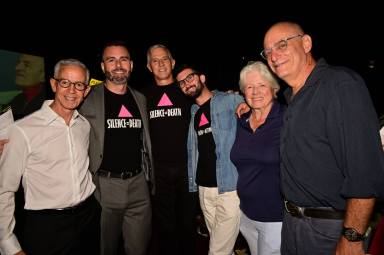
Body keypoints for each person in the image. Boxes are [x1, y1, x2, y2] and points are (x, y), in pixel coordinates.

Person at [260, 21, 384, 255]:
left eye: (282, 45)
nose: (274, 56)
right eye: (267, 52)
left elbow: (365, 172)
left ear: (306, 43)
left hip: (330, 229)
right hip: (291, 223)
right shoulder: (289, 100)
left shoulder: (340, 85)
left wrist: (352, 236)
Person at [0, 58, 100, 255]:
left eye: (79, 85)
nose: (72, 90)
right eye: (65, 82)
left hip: (88, 218)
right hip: (47, 227)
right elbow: (4, 189)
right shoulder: (22, 130)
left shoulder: (84, 126)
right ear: (54, 84)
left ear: (86, 90)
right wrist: (8, 244)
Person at [79, 40, 154, 255]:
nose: (118, 65)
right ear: (103, 67)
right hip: (104, 186)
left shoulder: (140, 98)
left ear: (131, 65)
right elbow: (59, 113)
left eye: (123, 59)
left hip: (139, 185)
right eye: (111, 60)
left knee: (139, 248)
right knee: (105, 248)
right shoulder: (87, 97)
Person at [174, 64, 243, 255]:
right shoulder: (194, 112)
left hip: (229, 188)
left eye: (189, 78)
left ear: (202, 78)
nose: (186, 84)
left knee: (217, 250)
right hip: (204, 189)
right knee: (220, 244)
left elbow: (257, 107)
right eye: (181, 83)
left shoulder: (229, 100)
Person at [142, 44, 198, 255]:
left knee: (187, 224)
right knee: (165, 227)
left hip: (187, 169)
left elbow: (208, 97)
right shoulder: (143, 96)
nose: (160, 64)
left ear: (172, 62)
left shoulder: (185, 90)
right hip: (158, 172)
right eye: (155, 61)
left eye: (164, 59)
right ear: (149, 67)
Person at [230, 61, 284, 255]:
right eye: (249, 87)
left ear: (273, 87)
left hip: (275, 217)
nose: (255, 92)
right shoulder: (241, 121)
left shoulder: (286, 119)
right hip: (246, 214)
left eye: (262, 85)